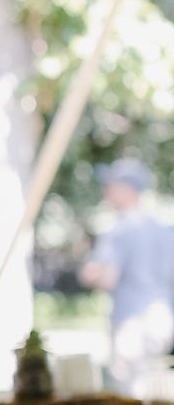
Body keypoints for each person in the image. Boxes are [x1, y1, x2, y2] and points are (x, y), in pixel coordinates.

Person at [80, 156, 174, 387]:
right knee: (156, 393)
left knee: (130, 396)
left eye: (111, 185)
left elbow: (107, 279)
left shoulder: (120, 230)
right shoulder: (163, 228)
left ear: (126, 189)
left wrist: (87, 271)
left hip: (131, 322)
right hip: (162, 318)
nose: (106, 191)